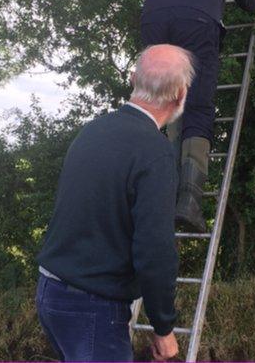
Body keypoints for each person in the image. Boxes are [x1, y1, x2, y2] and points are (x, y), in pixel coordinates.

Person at [36, 44, 195, 362]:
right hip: (92, 305)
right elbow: (155, 249)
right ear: (180, 94)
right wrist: (164, 329)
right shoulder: (155, 151)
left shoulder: (93, 131)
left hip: (51, 291)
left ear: (134, 79)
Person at [141, 0, 255, 233]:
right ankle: (189, 202)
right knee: (196, 105)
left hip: (154, 19)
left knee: (163, 107)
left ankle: (157, 194)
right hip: (195, 20)